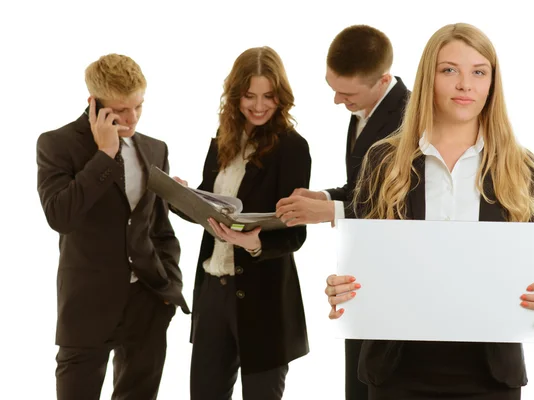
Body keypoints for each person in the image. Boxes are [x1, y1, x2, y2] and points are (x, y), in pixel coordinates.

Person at [324, 23, 534, 400]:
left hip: (490, 375)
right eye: (450, 70)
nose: (465, 84)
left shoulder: (521, 167)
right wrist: (342, 288)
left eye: (479, 72)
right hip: (397, 372)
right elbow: (363, 264)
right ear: (428, 77)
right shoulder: (384, 161)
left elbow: (521, 269)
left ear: (491, 84)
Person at [36, 53, 189, 400]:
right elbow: (60, 216)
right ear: (94, 104)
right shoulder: (57, 144)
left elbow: (159, 227)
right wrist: (105, 154)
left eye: (138, 106)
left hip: (148, 304)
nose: (131, 118)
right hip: (87, 306)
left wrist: (168, 287)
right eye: (120, 110)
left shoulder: (154, 149)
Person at [275, 24, 410, 400]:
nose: (336, 100)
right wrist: (322, 196)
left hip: (396, 277)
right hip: (359, 271)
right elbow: (364, 189)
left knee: (380, 383)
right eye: (332, 87)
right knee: (358, 381)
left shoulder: (410, 119)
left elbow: (400, 209)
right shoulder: (364, 107)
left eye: (346, 92)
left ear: (383, 80)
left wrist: (329, 212)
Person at [173, 46, 312, 400]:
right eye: (249, 95)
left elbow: (296, 232)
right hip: (213, 293)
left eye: (268, 96)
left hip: (264, 299)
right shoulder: (223, 140)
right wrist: (178, 195)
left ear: (281, 97)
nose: (259, 105)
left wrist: (255, 243)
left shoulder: (293, 148)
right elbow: (210, 203)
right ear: (236, 95)